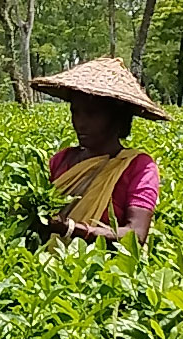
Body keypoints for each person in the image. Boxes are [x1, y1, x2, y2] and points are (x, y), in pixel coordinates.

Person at [29, 57, 169, 247]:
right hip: (50, 269)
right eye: (75, 112)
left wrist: (72, 229)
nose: (80, 122)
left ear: (117, 119)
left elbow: (136, 234)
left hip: (105, 271)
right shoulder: (61, 160)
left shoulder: (139, 167)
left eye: (92, 114)